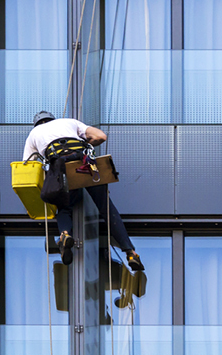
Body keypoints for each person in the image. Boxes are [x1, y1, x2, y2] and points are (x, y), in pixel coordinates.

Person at [23, 111, 144, 271]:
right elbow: (101, 136)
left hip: (60, 168)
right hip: (83, 163)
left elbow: (27, 165)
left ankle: (65, 234)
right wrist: (86, 143)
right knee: (106, 208)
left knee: (64, 206)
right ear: (53, 119)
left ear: (37, 123)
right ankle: (130, 252)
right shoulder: (69, 122)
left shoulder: (34, 133)